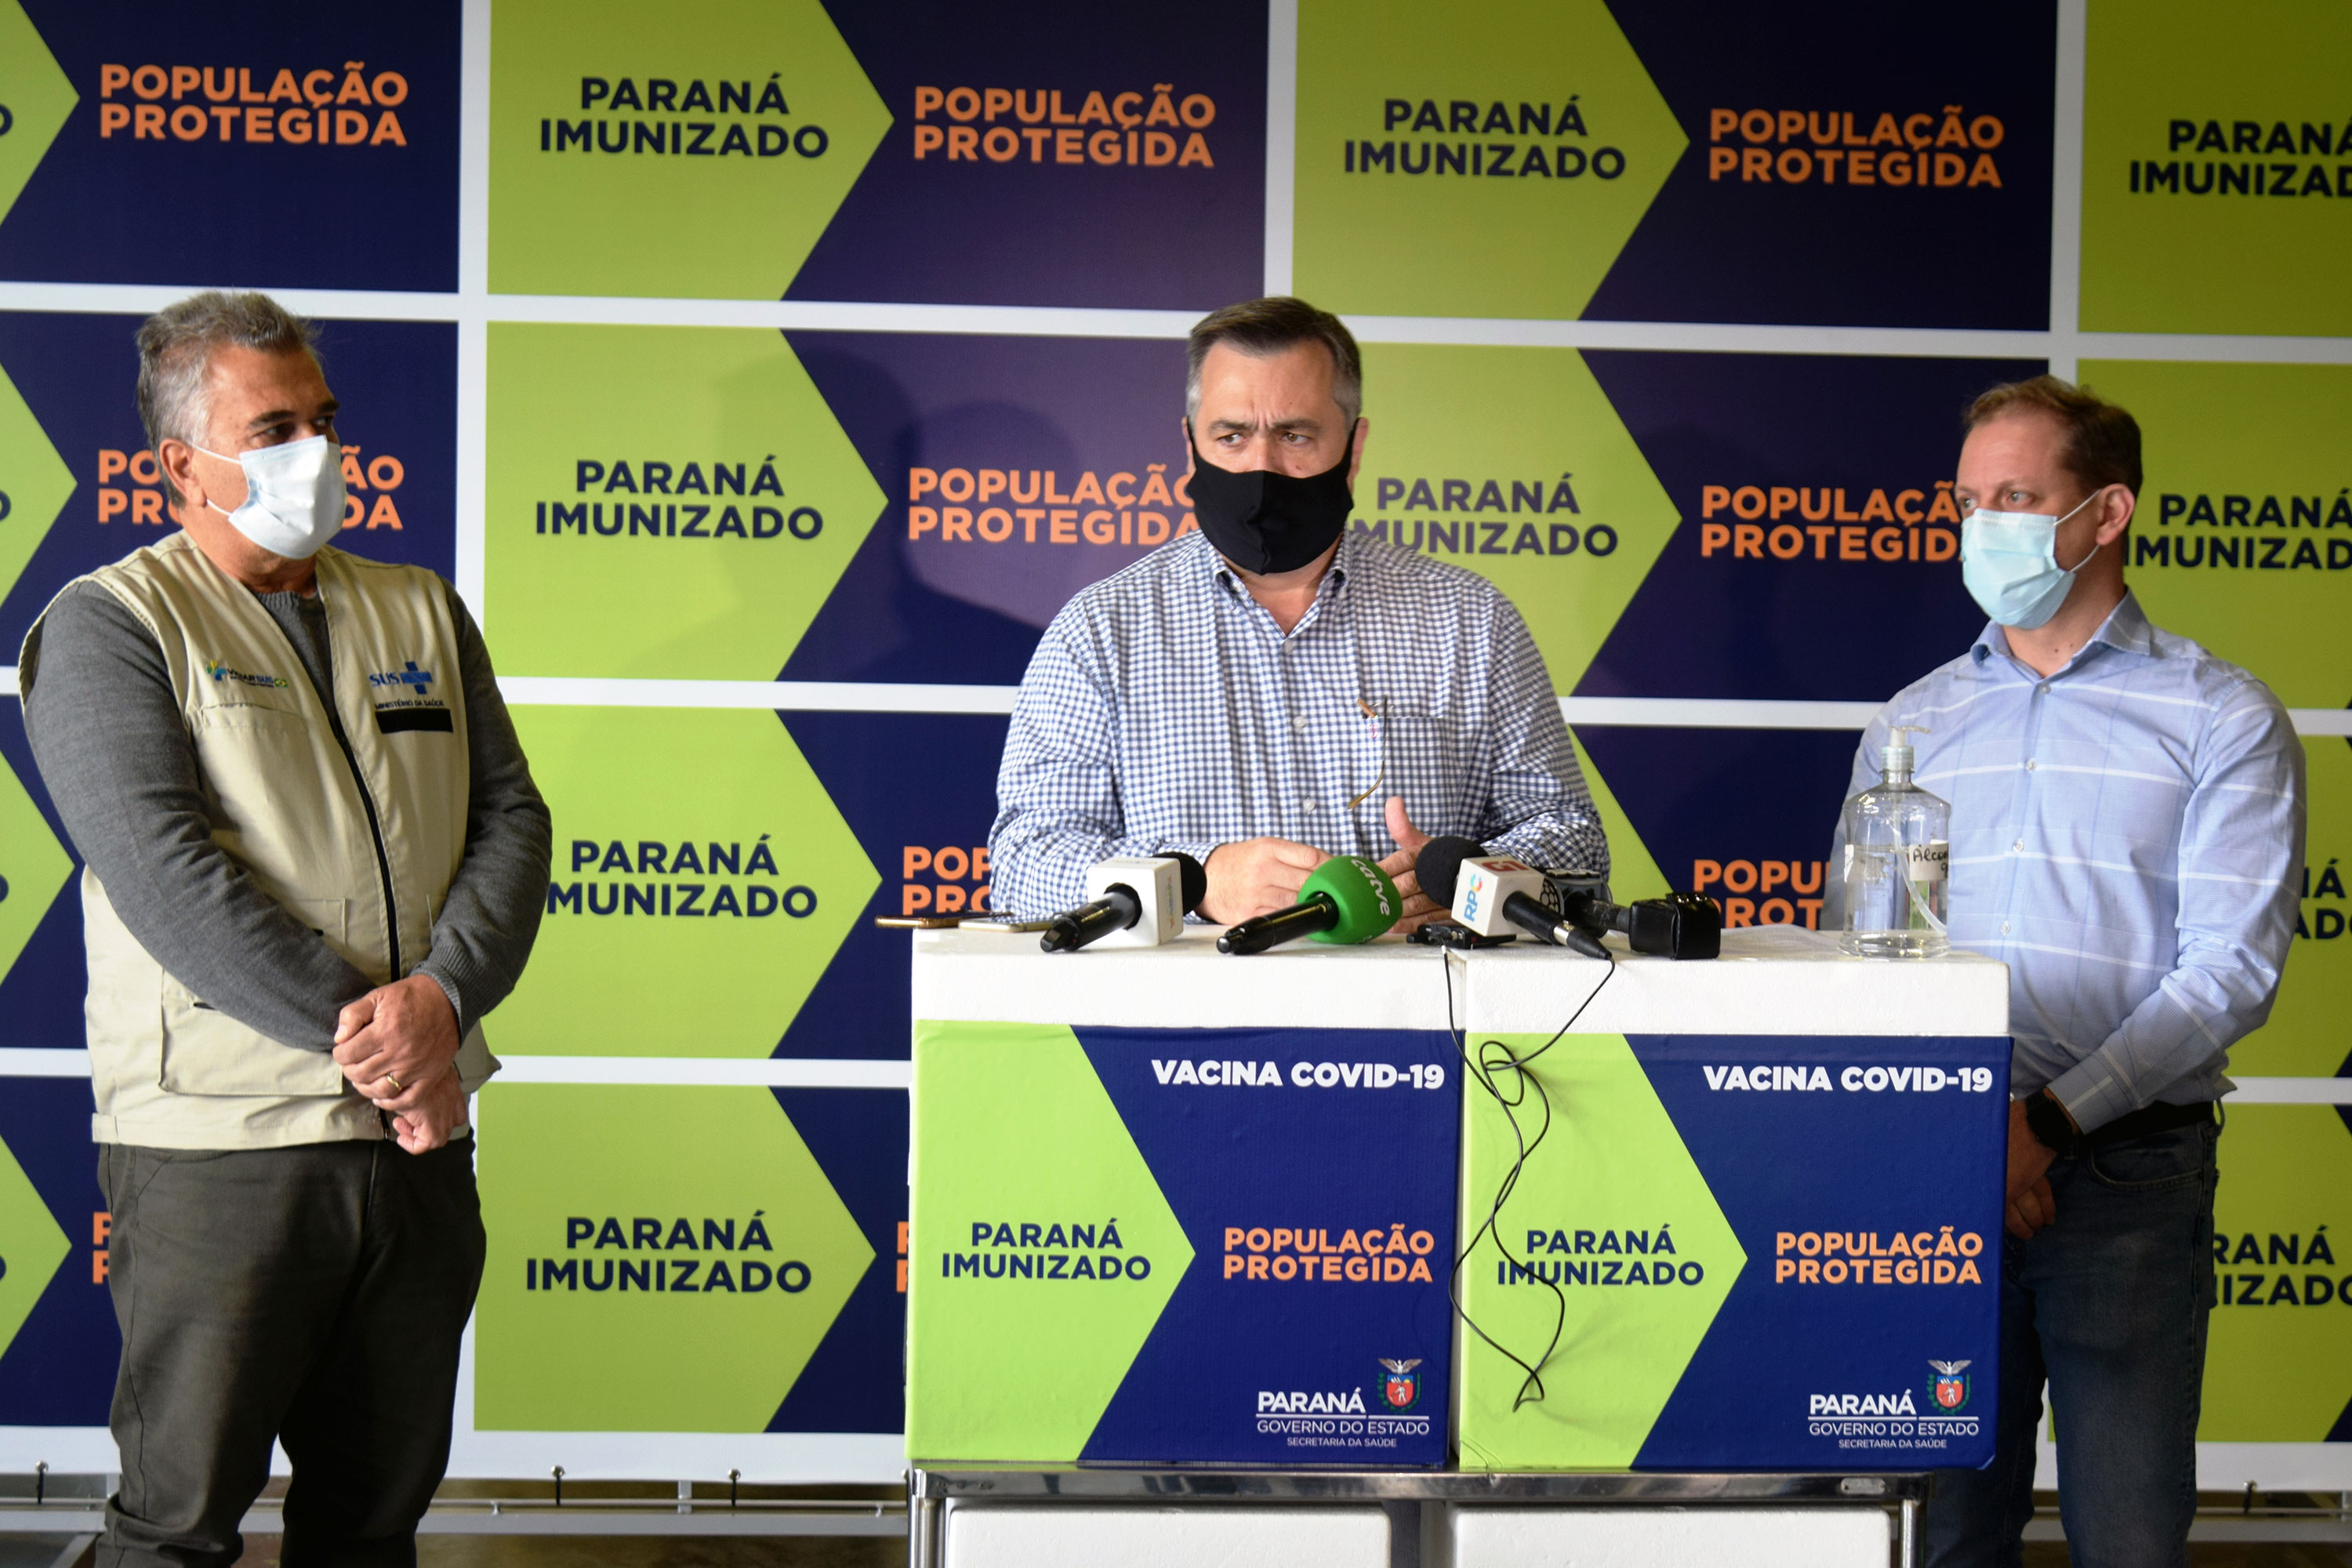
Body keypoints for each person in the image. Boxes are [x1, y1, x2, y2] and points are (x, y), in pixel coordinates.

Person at [18, 292, 552, 1568]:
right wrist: (385, 1044)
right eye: (273, 430)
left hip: (417, 1144)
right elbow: (163, 874)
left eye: (323, 420)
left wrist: (442, 1005)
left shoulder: (420, 608)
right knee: (179, 1526)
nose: (315, 452)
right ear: (181, 465)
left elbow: (513, 819)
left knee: (372, 1525)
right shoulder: (111, 624)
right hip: (224, 1146)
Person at [1828, 376, 2303, 1567]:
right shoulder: (1915, 721)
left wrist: (2043, 1122)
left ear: (2106, 513)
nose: (1981, 525)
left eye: (2016, 498)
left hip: (2126, 1175)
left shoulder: (2219, 715)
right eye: (1968, 501)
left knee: (2127, 1538)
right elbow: (1859, 947)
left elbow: (2231, 971)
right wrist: (1969, 1133)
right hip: (1941, 1170)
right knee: (1943, 1536)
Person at [989, 296, 1607, 925]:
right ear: (1191, 446)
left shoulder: (1471, 622)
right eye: (1231, 436)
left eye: (1295, 435)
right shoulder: (1100, 632)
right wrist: (1193, 881)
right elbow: (1023, 865)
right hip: (1197, 991)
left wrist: (1466, 882)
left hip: (1417, 987)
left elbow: (1575, 843)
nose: (1262, 467)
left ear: (1354, 448)